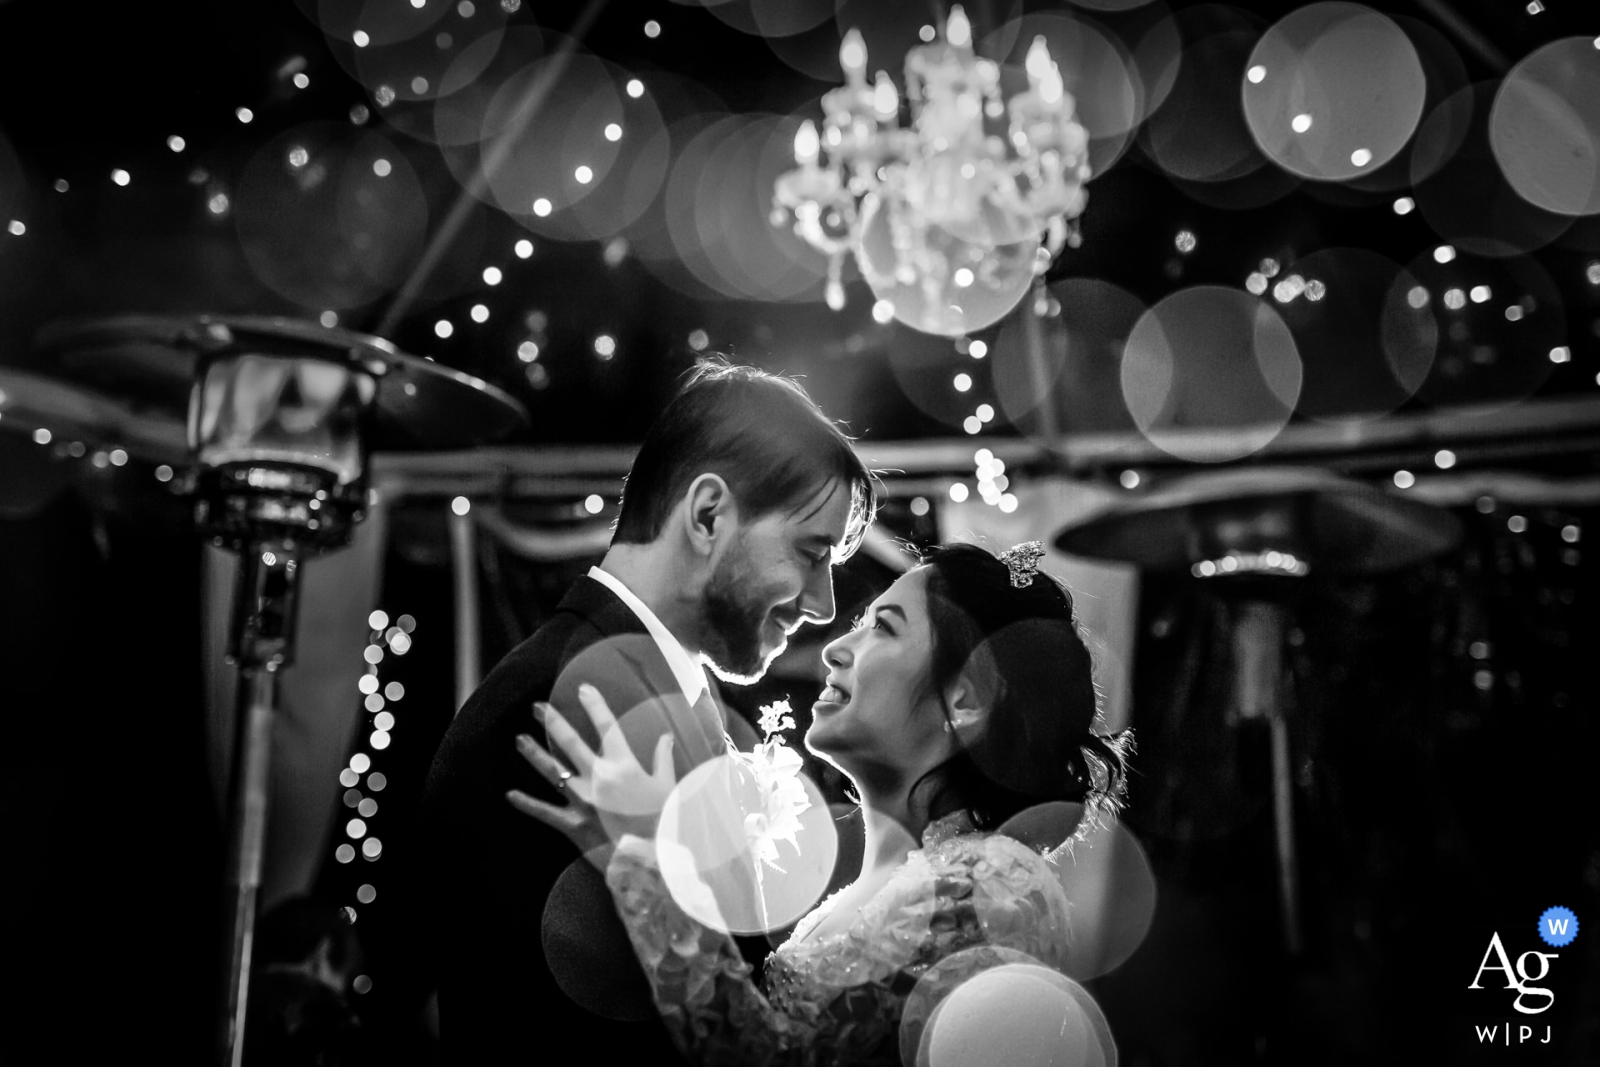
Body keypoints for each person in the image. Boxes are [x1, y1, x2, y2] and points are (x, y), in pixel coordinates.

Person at [510, 540, 1134, 1066]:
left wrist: (646, 864)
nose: (837, 647)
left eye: (883, 628)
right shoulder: (897, 886)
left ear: (965, 702)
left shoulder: (993, 885)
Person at [416, 358, 878, 1064]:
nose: (823, 604)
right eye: (810, 552)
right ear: (707, 515)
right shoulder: (569, 705)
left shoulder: (658, 686)